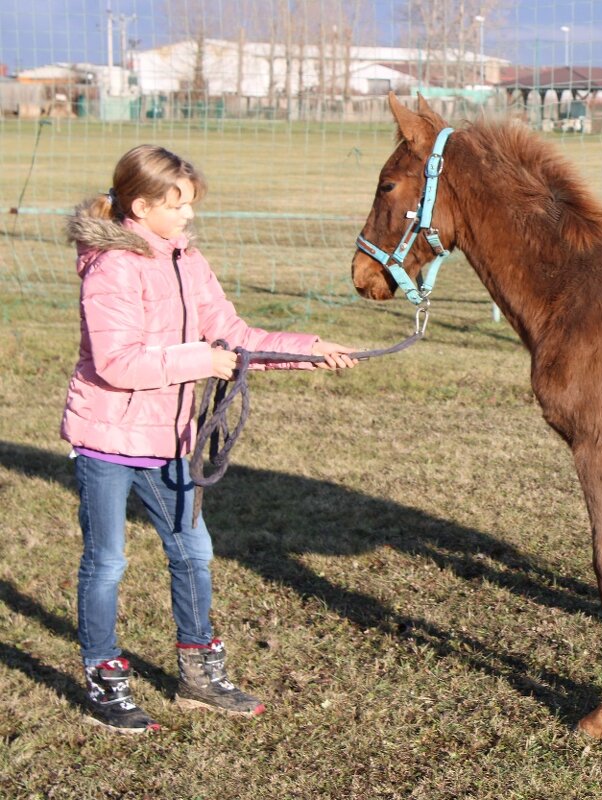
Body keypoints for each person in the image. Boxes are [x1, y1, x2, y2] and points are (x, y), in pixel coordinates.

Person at [61, 144, 358, 733]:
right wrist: (203, 359)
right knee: (108, 561)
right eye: (179, 207)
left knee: (193, 551)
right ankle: (103, 674)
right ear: (141, 207)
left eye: (192, 205)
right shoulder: (113, 266)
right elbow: (118, 363)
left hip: (169, 440)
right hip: (107, 439)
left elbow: (233, 334)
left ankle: (198, 672)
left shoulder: (184, 261)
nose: (189, 216)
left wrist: (308, 349)